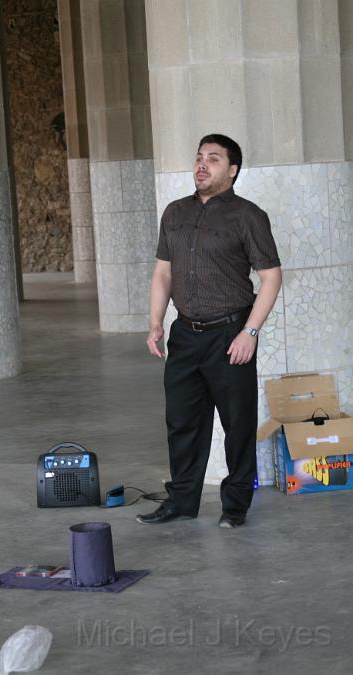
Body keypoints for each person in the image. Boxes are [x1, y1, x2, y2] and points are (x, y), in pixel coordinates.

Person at [136, 133, 282, 528]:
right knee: (182, 422)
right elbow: (163, 272)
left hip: (229, 334)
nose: (202, 165)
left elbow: (271, 278)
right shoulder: (174, 212)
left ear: (232, 171)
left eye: (213, 159)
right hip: (184, 335)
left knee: (237, 426)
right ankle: (182, 501)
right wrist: (155, 322)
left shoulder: (247, 216)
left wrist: (249, 333)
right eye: (199, 157)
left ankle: (234, 508)